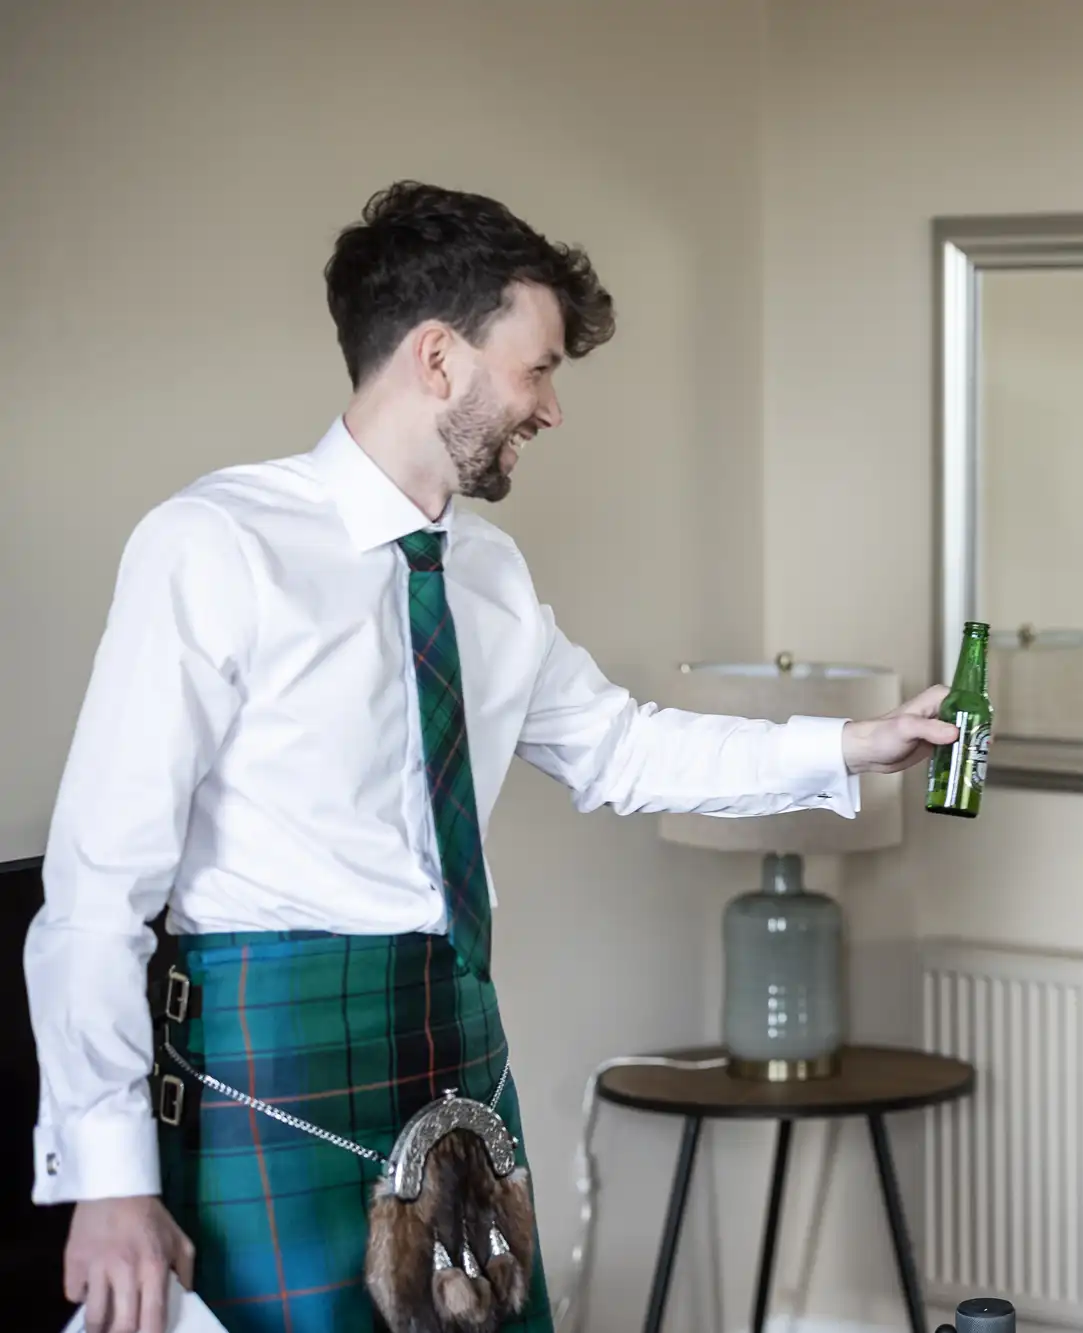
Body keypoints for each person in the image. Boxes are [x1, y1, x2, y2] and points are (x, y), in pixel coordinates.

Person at [25, 181, 957, 1333]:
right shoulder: (214, 545)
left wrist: (854, 745)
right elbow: (96, 885)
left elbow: (622, 747)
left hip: (458, 1037)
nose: (550, 408)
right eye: (539, 366)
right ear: (436, 358)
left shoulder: (486, 574)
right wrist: (108, 1176)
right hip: (274, 1057)